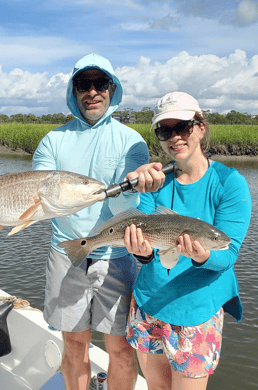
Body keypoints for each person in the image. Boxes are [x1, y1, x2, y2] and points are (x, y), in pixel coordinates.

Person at [31, 53, 160, 390]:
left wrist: (137, 185)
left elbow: (132, 204)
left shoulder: (131, 140)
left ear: (111, 88)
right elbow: (37, 198)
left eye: (99, 83)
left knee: (120, 349)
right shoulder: (52, 141)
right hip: (66, 255)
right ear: (73, 91)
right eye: (82, 84)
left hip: (117, 257)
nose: (91, 92)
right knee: (74, 345)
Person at [123, 91, 252, 390]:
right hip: (149, 303)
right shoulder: (154, 181)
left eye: (183, 127)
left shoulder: (229, 184)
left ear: (201, 127)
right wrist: (140, 254)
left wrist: (203, 256)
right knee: (156, 386)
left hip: (197, 311)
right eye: (165, 130)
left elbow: (228, 253)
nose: (175, 137)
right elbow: (143, 247)